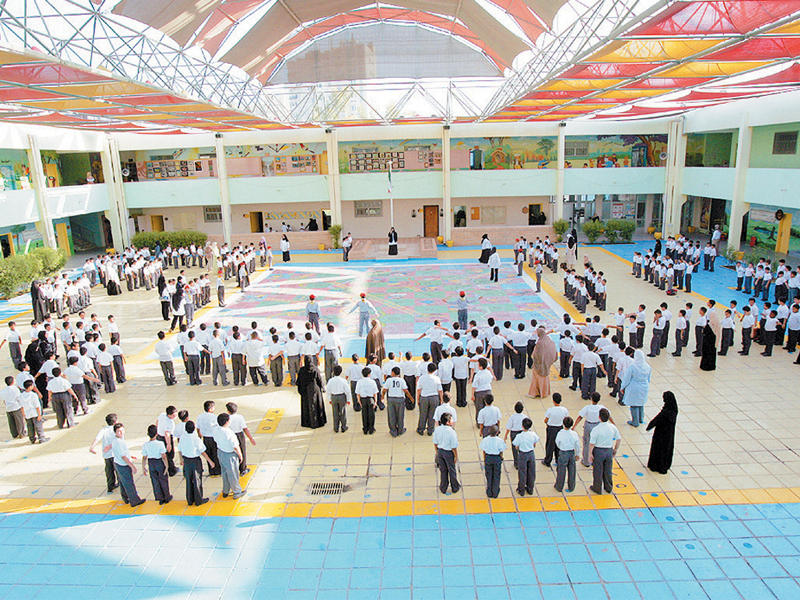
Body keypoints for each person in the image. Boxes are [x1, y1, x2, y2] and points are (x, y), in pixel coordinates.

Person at [105, 423, 145, 507]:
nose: (121, 432)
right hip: (123, 465)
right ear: (115, 432)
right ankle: (134, 500)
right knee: (129, 483)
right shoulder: (120, 442)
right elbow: (123, 456)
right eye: (119, 431)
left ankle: (125, 498)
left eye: (122, 430)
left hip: (117, 463)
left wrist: (129, 456)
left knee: (122, 482)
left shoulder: (115, 440)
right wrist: (132, 466)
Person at [178, 420, 213, 506]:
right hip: (195, 461)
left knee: (189, 480)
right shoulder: (196, 439)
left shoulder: (182, 437)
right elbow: (203, 452)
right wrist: (210, 461)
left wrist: (181, 459)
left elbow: (180, 449)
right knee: (197, 481)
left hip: (186, 461)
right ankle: (198, 500)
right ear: (194, 429)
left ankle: (190, 499)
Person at [588, 408, 621, 495]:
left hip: (598, 451)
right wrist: (615, 449)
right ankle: (608, 487)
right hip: (609, 450)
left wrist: (590, 454)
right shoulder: (612, 427)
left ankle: (597, 488)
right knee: (608, 470)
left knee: (598, 470)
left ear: (599, 417)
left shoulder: (596, 429)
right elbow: (618, 439)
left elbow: (592, 443)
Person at [646, 391, 679, 474]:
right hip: (669, 434)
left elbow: (657, 420)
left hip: (660, 434)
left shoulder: (665, 412)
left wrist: (649, 426)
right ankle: (664, 466)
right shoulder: (674, 410)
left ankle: (655, 466)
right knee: (666, 450)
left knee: (658, 449)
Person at [214, 413, 245, 499]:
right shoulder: (229, 432)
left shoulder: (216, 430)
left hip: (220, 452)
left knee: (224, 472)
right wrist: (240, 455)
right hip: (230, 455)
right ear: (227, 422)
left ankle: (225, 490)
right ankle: (237, 492)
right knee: (233, 474)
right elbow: (235, 446)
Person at [141, 424, 172, 505]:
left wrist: (143, 467)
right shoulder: (160, 444)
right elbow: (164, 456)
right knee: (163, 479)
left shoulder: (145, 445)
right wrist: (166, 466)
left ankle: (159, 497)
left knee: (155, 481)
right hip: (159, 462)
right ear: (157, 434)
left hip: (151, 463)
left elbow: (144, 457)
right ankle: (167, 496)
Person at [619, 350, 651, 427]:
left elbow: (627, 378)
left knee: (634, 405)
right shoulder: (647, 366)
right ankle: (641, 419)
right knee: (641, 403)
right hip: (644, 386)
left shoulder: (632, 367)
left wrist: (622, 387)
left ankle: (635, 422)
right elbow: (648, 378)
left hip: (634, 387)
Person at [296, 356, 326, 429]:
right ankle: (317, 421)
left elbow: (298, 381)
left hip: (305, 391)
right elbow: (319, 380)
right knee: (316, 405)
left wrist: (301, 390)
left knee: (307, 406)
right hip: (315, 390)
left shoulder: (302, 370)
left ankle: (307, 422)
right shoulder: (315, 369)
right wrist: (322, 387)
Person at [433, 413, 459, 494]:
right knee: (451, 470)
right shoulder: (451, 432)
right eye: (451, 419)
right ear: (448, 422)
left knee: (443, 470)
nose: (452, 420)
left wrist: (437, 452)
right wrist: (456, 456)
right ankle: (455, 487)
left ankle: (443, 487)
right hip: (448, 452)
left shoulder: (437, 430)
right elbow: (454, 446)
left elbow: (435, 443)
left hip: (440, 451)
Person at [512, 417, 539, 497]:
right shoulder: (533, 434)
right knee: (531, 472)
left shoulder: (519, 436)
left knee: (522, 472)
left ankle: (521, 490)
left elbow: (516, 446)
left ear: (522, 426)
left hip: (522, 454)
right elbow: (534, 444)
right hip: (531, 453)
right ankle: (530, 489)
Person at [554, 416, 580, 493]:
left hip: (563, 452)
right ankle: (571, 486)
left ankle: (559, 486)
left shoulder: (560, 433)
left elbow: (557, 442)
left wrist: (561, 448)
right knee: (572, 470)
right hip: (571, 452)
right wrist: (577, 454)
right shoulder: (574, 434)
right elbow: (577, 445)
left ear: (563, 424)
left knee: (561, 470)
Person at [542, 393, 568, 467]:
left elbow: (545, 420)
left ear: (553, 400)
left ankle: (547, 461)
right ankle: (558, 460)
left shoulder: (550, 410)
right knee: (558, 445)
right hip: (560, 428)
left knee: (550, 445)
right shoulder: (564, 410)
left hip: (551, 429)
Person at [528, 327, 556, 398]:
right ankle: (544, 392)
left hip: (539, 365)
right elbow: (553, 352)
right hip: (547, 364)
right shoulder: (550, 341)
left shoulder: (540, 343)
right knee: (545, 379)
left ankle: (535, 393)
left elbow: (536, 354)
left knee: (536, 380)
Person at [480, 427, 506, 498]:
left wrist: (485, 459)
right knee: (496, 475)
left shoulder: (485, 440)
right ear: (497, 432)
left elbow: (484, 451)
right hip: (496, 458)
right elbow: (501, 451)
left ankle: (489, 491)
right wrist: (501, 457)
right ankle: (495, 491)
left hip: (488, 457)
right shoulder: (500, 441)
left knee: (489, 475)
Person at [326, 365, 351, 433]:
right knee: (342, 412)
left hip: (333, 397)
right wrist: (348, 400)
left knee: (335, 413)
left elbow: (328, 390)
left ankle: (336, 428)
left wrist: (329, 399)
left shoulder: (330, 380)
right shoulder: (343, 381)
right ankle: (343, 427)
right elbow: (347, 391)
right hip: (341, 397)